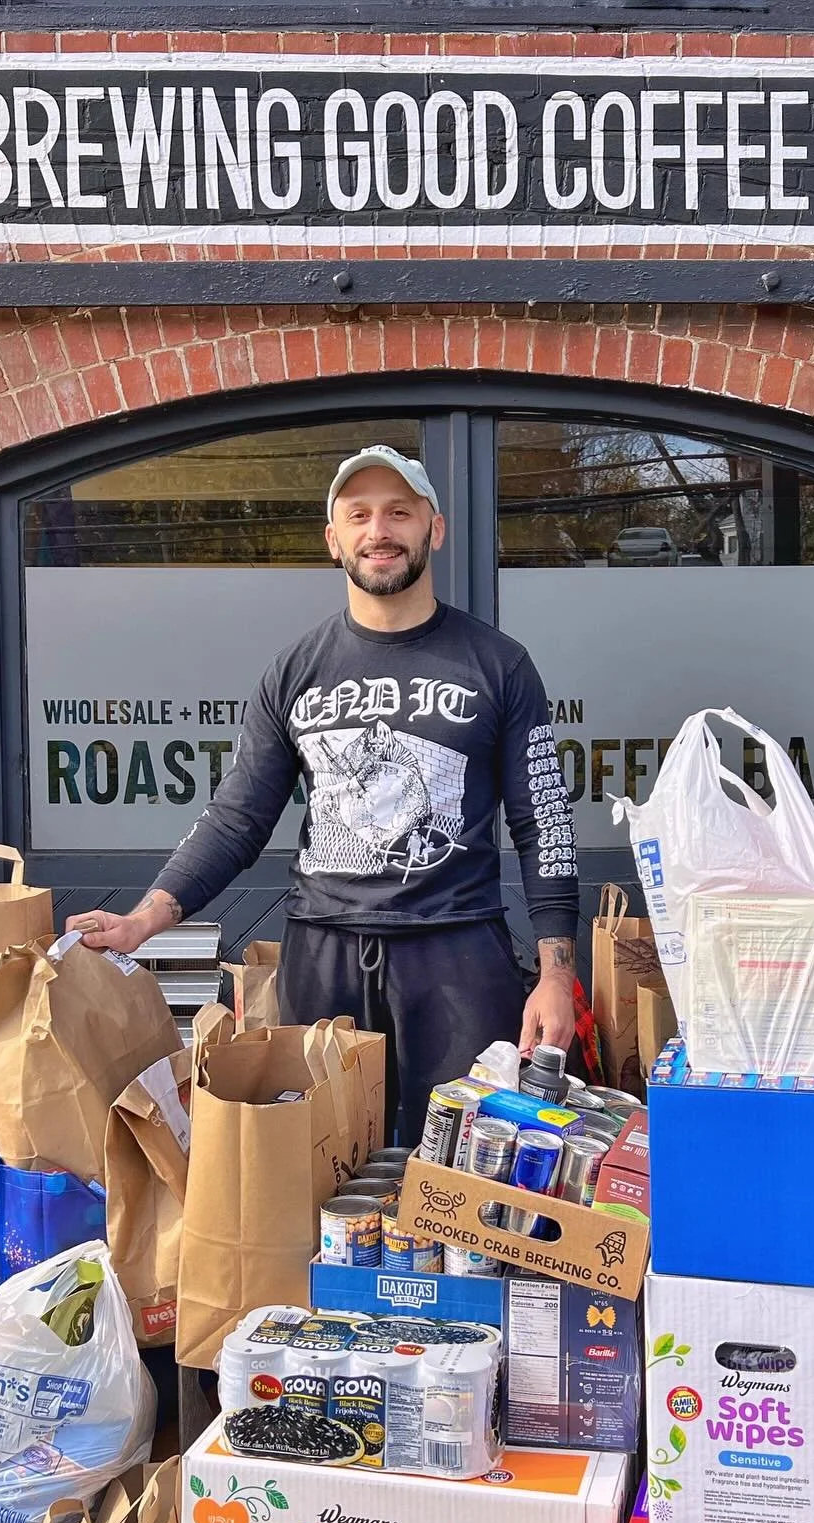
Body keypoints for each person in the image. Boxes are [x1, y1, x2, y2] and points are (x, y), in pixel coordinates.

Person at [68, 443, 580, 1143]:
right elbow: (237, 818)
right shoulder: (294, 672)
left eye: (399, 512)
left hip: (457, 955)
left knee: (457, 1169)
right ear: (333, 538)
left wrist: (556, 975)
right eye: (359, 515)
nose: (380, 531)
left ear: (433, 529)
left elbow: (543, 823)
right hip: (323, 957)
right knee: (320, 1164)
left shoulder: (499, 665)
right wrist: (142, 922)